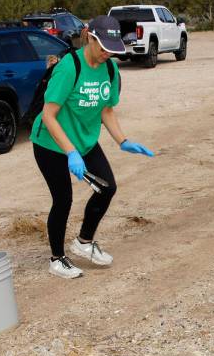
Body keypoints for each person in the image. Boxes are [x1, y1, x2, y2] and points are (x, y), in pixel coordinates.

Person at [31, 15, 154, 279]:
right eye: (102, 47)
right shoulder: (69, 67)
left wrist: (123, 141)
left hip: (85, 141)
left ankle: (84, 242)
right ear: (89, 36)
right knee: (63, 199)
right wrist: (70, 152)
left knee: (107, 188)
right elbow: (49, 115)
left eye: (112, 48)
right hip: (50, 143)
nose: (106, 53)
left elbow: (106, 110)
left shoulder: (110, 69)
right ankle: (57, 259)